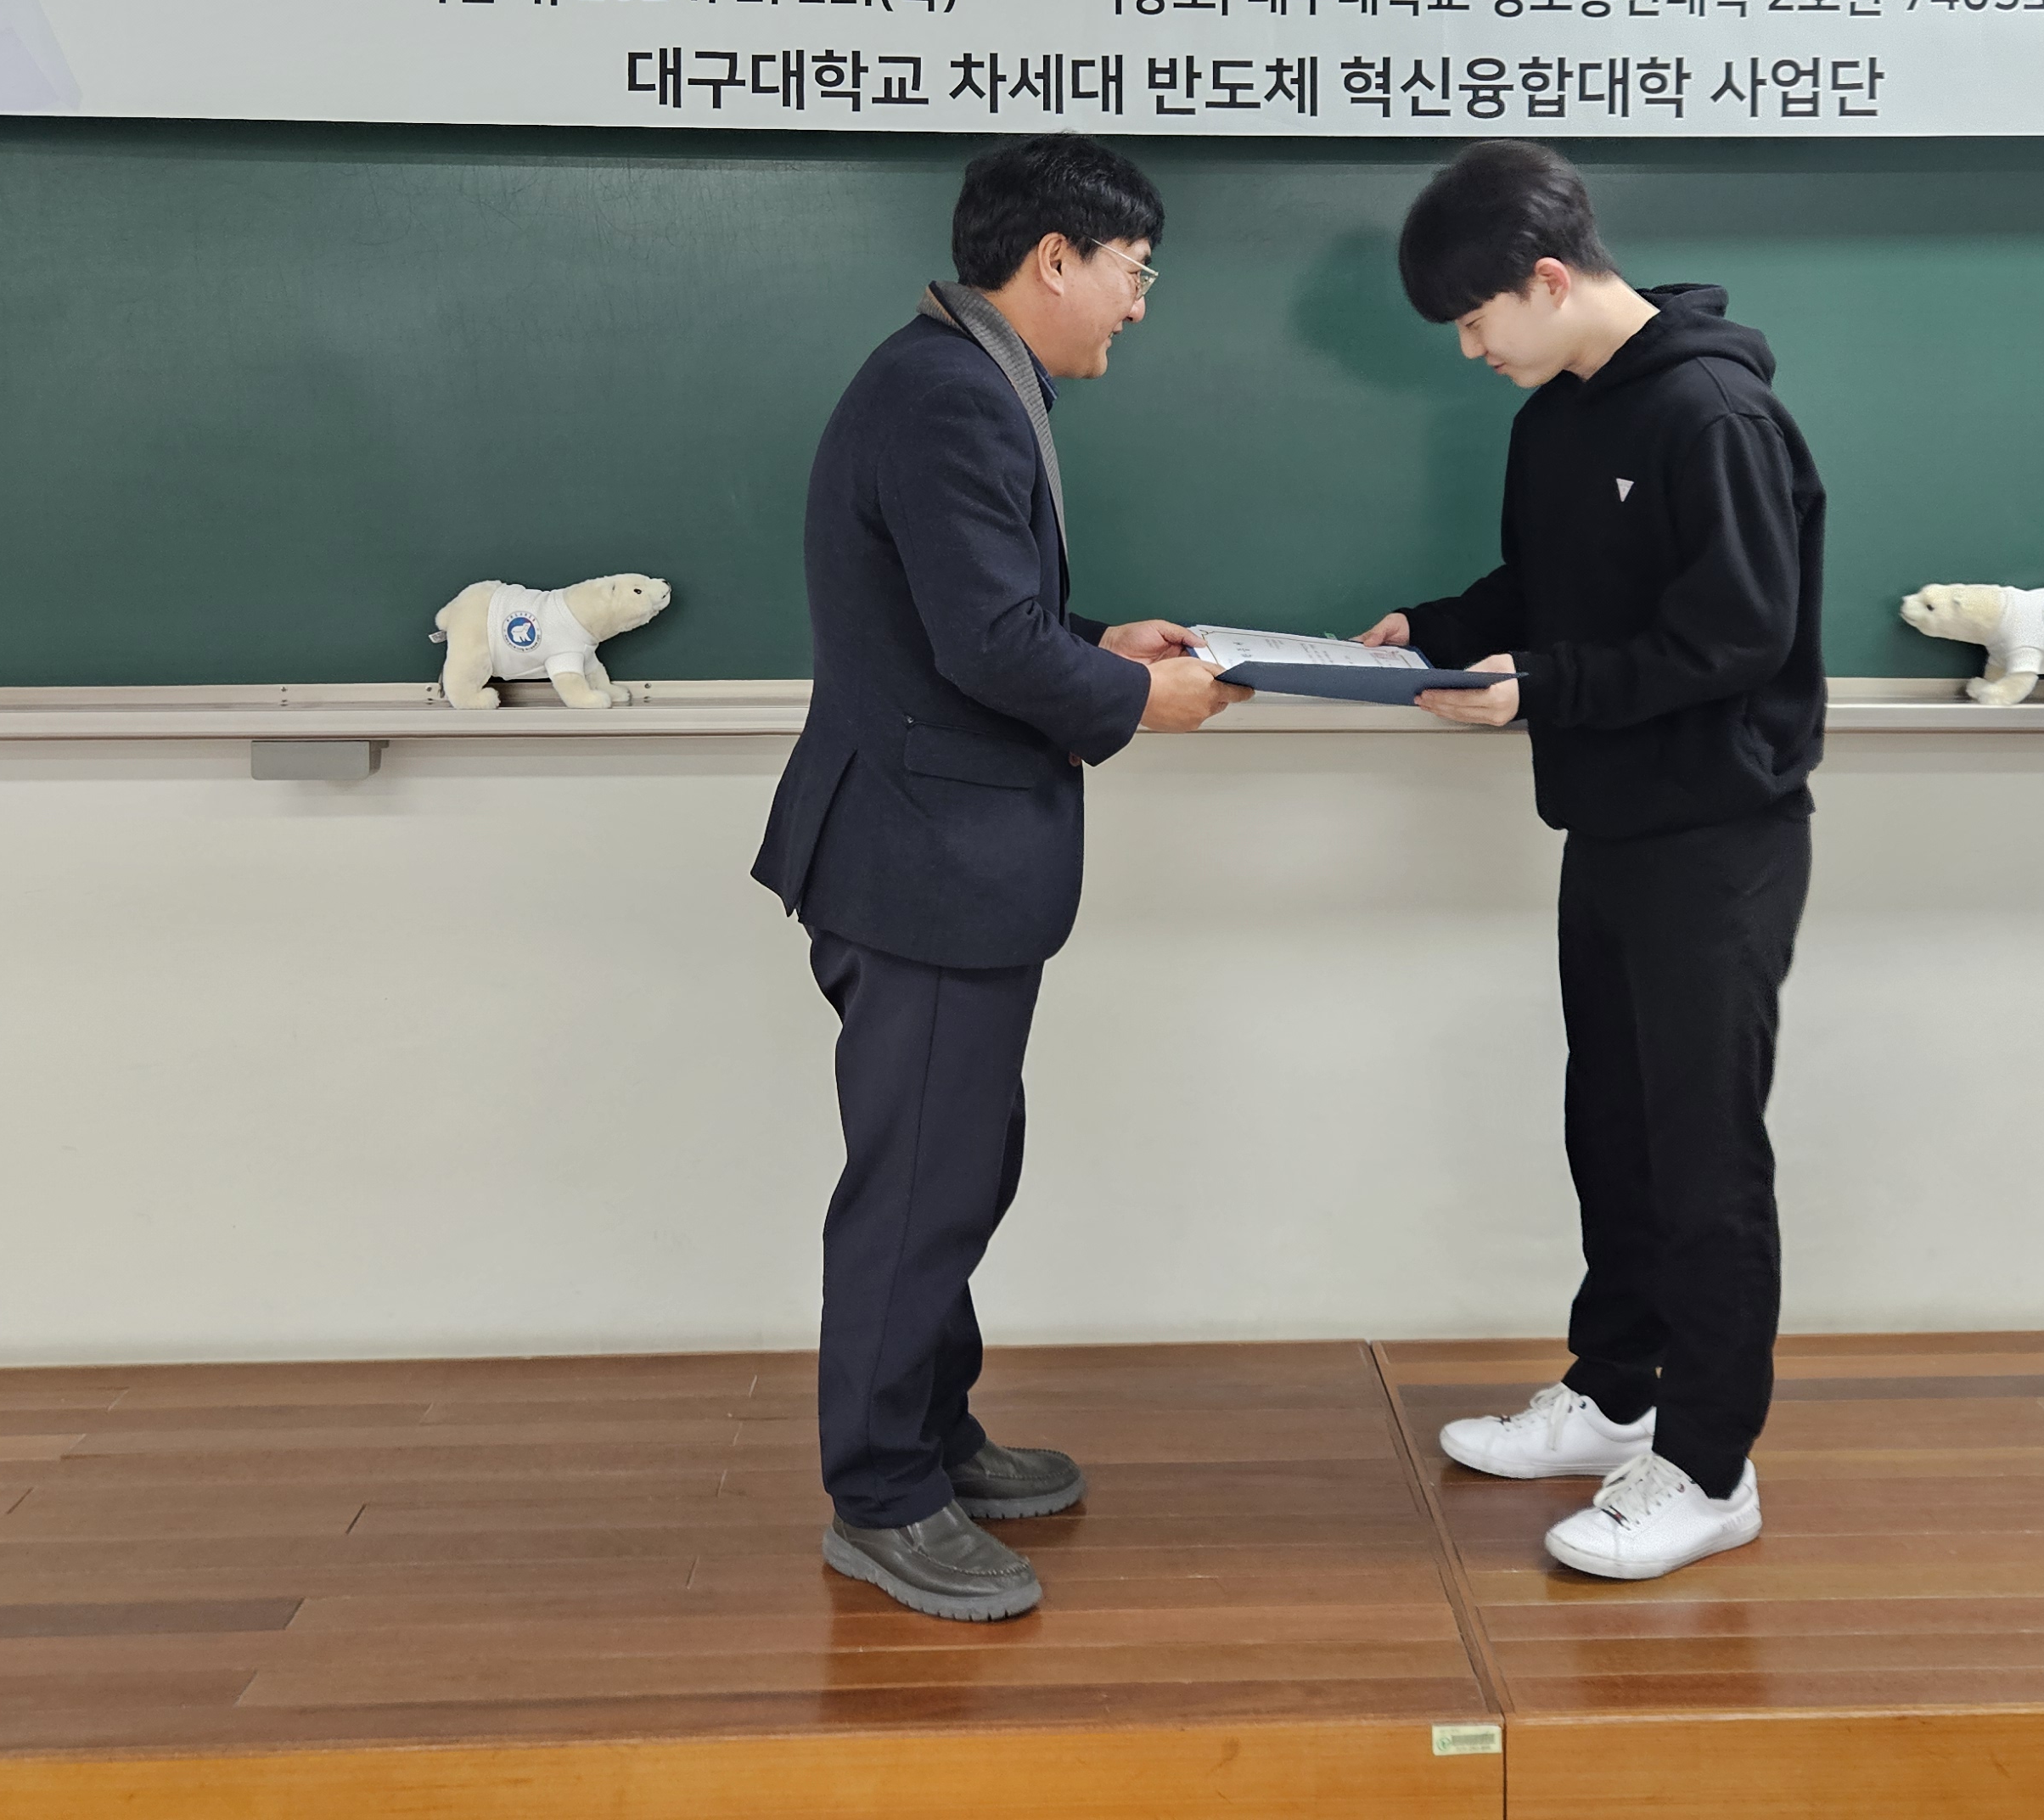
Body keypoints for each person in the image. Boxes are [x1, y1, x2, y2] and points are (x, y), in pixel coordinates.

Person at [751, 132, 1248, 1623]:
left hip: (931, 848)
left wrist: (1097, 643)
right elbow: (982, 645)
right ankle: (881, 1495)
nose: (1138, 307)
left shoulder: (963, 376)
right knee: (919, 1183)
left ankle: (933, 1433)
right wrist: (1137, 697)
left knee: (956, 1166)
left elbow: (973, 614)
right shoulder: (949, 394)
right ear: (1056, 258)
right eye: (1134, 274)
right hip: (922, 859)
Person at [1358, 140, 1826, 1582]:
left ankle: (1710, 1465)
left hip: (1720, 838)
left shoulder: (1715, 414)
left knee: (1703, 1153)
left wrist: (1543, 689)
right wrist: (1436, 632)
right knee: (1611, 1130)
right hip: (1610, 826)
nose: (1471, 350)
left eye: (1477, 318)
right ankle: (1617, 1393)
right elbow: (1547, 594)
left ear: (1550, 279)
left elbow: (1735, 634)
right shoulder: (1554, 418)